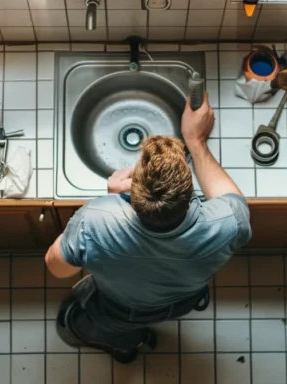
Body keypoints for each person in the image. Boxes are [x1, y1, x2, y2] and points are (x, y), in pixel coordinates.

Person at [44, 92, 252, 363]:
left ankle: (125, 345)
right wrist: (196, 141)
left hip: (122, 309)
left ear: (134, 190)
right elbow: (231, 196)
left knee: (111, 328)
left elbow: (58, 268)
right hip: (182, 302)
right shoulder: (229, 223)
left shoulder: (96, 220)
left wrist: (112, 200)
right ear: (189, 191)